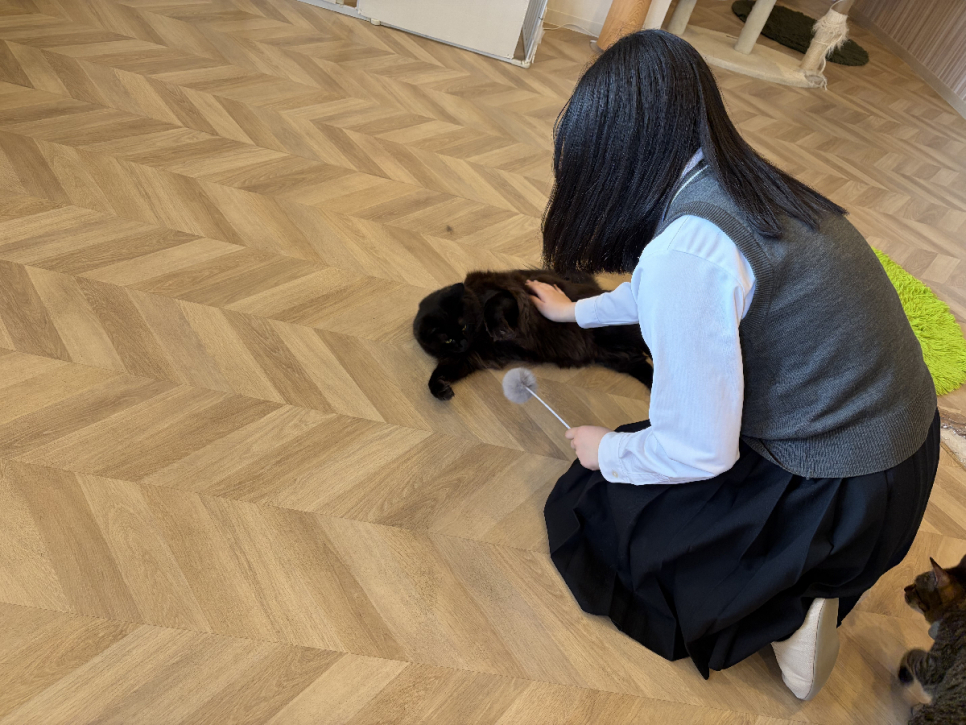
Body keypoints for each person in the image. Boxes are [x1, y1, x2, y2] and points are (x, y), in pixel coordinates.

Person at [525, 29, 939, 700]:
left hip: (837, 492)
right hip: (903, 454)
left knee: (599, 511)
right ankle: (805, 579)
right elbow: (675, 291)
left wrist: (607, 453)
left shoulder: (688, 249)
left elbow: (699, 449)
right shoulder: (738, 181)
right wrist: (578, 312)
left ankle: (789, 606)